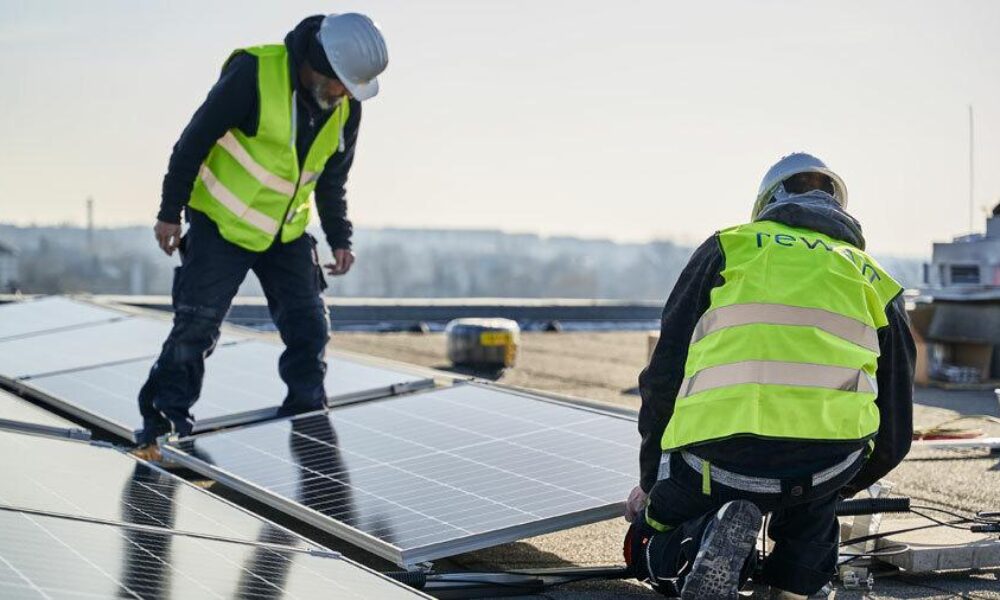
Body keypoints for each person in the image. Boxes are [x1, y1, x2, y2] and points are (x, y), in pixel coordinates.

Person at [623, 153, 915, 599]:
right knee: (814, 509)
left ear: (765, 203)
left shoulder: (730, 247)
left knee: (648, 538)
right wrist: (838, 485)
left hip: (717, 460)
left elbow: (663, 377)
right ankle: (796, 581)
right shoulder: (876, 279)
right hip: (825, 465)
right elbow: (895, 430)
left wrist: (652, 488)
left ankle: (697, 541)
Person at [133, 13, 388, 460]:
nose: (344, 94)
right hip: (222, 226)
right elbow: (192, 142)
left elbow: (331, 180)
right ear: (317, 62)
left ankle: (306, 411)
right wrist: (169, 213)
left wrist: (339, 237)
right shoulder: (254, 73)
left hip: (286, 232)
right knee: (196, 327)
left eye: (351, 88)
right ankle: (164, 423)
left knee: (310, 326)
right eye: (341, 83)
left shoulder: (347, 108)